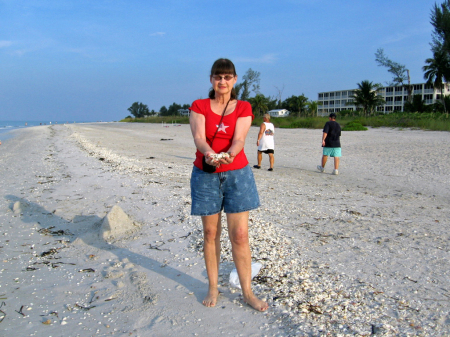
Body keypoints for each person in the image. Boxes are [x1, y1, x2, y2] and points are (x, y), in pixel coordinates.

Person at [189, 58, 268, 312]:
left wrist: (230, 154)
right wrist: (210, 153)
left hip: (237, 174)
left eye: (227, 77)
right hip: (206, 173)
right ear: (211, 80)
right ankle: (213, 286)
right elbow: (199, 138)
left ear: (234, 80)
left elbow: (239, 139)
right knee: (210, 233)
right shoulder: (199, 105)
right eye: (217, 77)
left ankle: (247, 292)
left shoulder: (243, 107)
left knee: (240, 235)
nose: (222, 81)